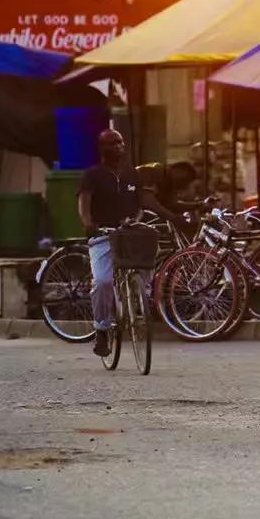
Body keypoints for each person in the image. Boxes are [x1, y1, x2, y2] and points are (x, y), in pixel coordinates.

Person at [79, 129, 174, 357]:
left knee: (149, 252)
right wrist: (89, 223)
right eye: (113, 143)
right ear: (102, 149)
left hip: (128, 234)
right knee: (102, 282)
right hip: (103, 235)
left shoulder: (132, 174)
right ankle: (101, 329)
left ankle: (142, 296)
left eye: (121, 142)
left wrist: (165, 215)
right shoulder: (92, 175)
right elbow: (84, 201)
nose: (119, 147)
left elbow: (142, 200)